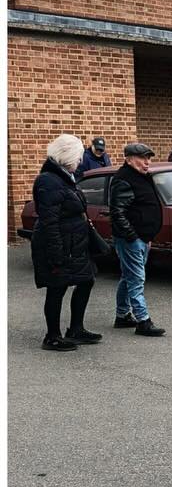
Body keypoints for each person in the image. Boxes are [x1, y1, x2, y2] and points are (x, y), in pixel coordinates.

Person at [31, 133, 108, 349]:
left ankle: (76, 329)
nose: (81, 161)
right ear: (66, 156)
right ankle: (52, 336)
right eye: (78, 156)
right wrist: (56, 255)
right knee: (57, 287)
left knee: (86, 280)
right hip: (61, 245)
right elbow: (49, 222)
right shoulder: (49, 180)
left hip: (75, 243)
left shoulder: (65, 177)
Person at [109, 142, 167, 337]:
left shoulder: (143, 177)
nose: (147, 162)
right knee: (136, 278)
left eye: (148, 158)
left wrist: (147, 236)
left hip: (142, 237)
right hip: (131, 239)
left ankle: (122, 315)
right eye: (142, 158)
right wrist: (132, 236)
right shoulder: (123, 179)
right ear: (128, 159)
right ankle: (143, 321)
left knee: (128, 277)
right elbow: (117, 212)